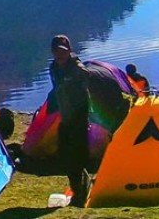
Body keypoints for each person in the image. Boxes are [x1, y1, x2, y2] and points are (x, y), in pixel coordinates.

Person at [49, 34, 91, 206]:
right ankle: (79, 189)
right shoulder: (53, 68)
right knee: (66, 155)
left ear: (69, 51)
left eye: (64, 52)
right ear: (52, 52)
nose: (61, 55)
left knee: (76, 156)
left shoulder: (77, 68)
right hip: (66, 117)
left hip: (78, 117)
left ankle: (80, 195)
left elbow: (86, 77)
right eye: (57, 51)